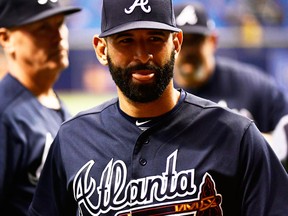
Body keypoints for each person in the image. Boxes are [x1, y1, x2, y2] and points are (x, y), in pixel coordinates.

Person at [29, 0, 288, 215]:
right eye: (125, 41)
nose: (142, 55)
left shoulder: (236, 136)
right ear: (101, 49)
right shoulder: (72, 140)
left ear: (176, 43)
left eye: (155, 38)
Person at [174, 1, 288, 169]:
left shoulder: (252, 85)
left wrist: (254, 143)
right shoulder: (159, 92)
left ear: (213, 41)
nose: (189, 51)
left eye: (196, 41)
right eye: (183, 42)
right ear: (170, 45)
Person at [0, 0, 81, 215]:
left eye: (60, 23)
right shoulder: (5, 114)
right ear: (6, 39)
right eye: (43, 27)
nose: (58, 36)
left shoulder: (58, 109)